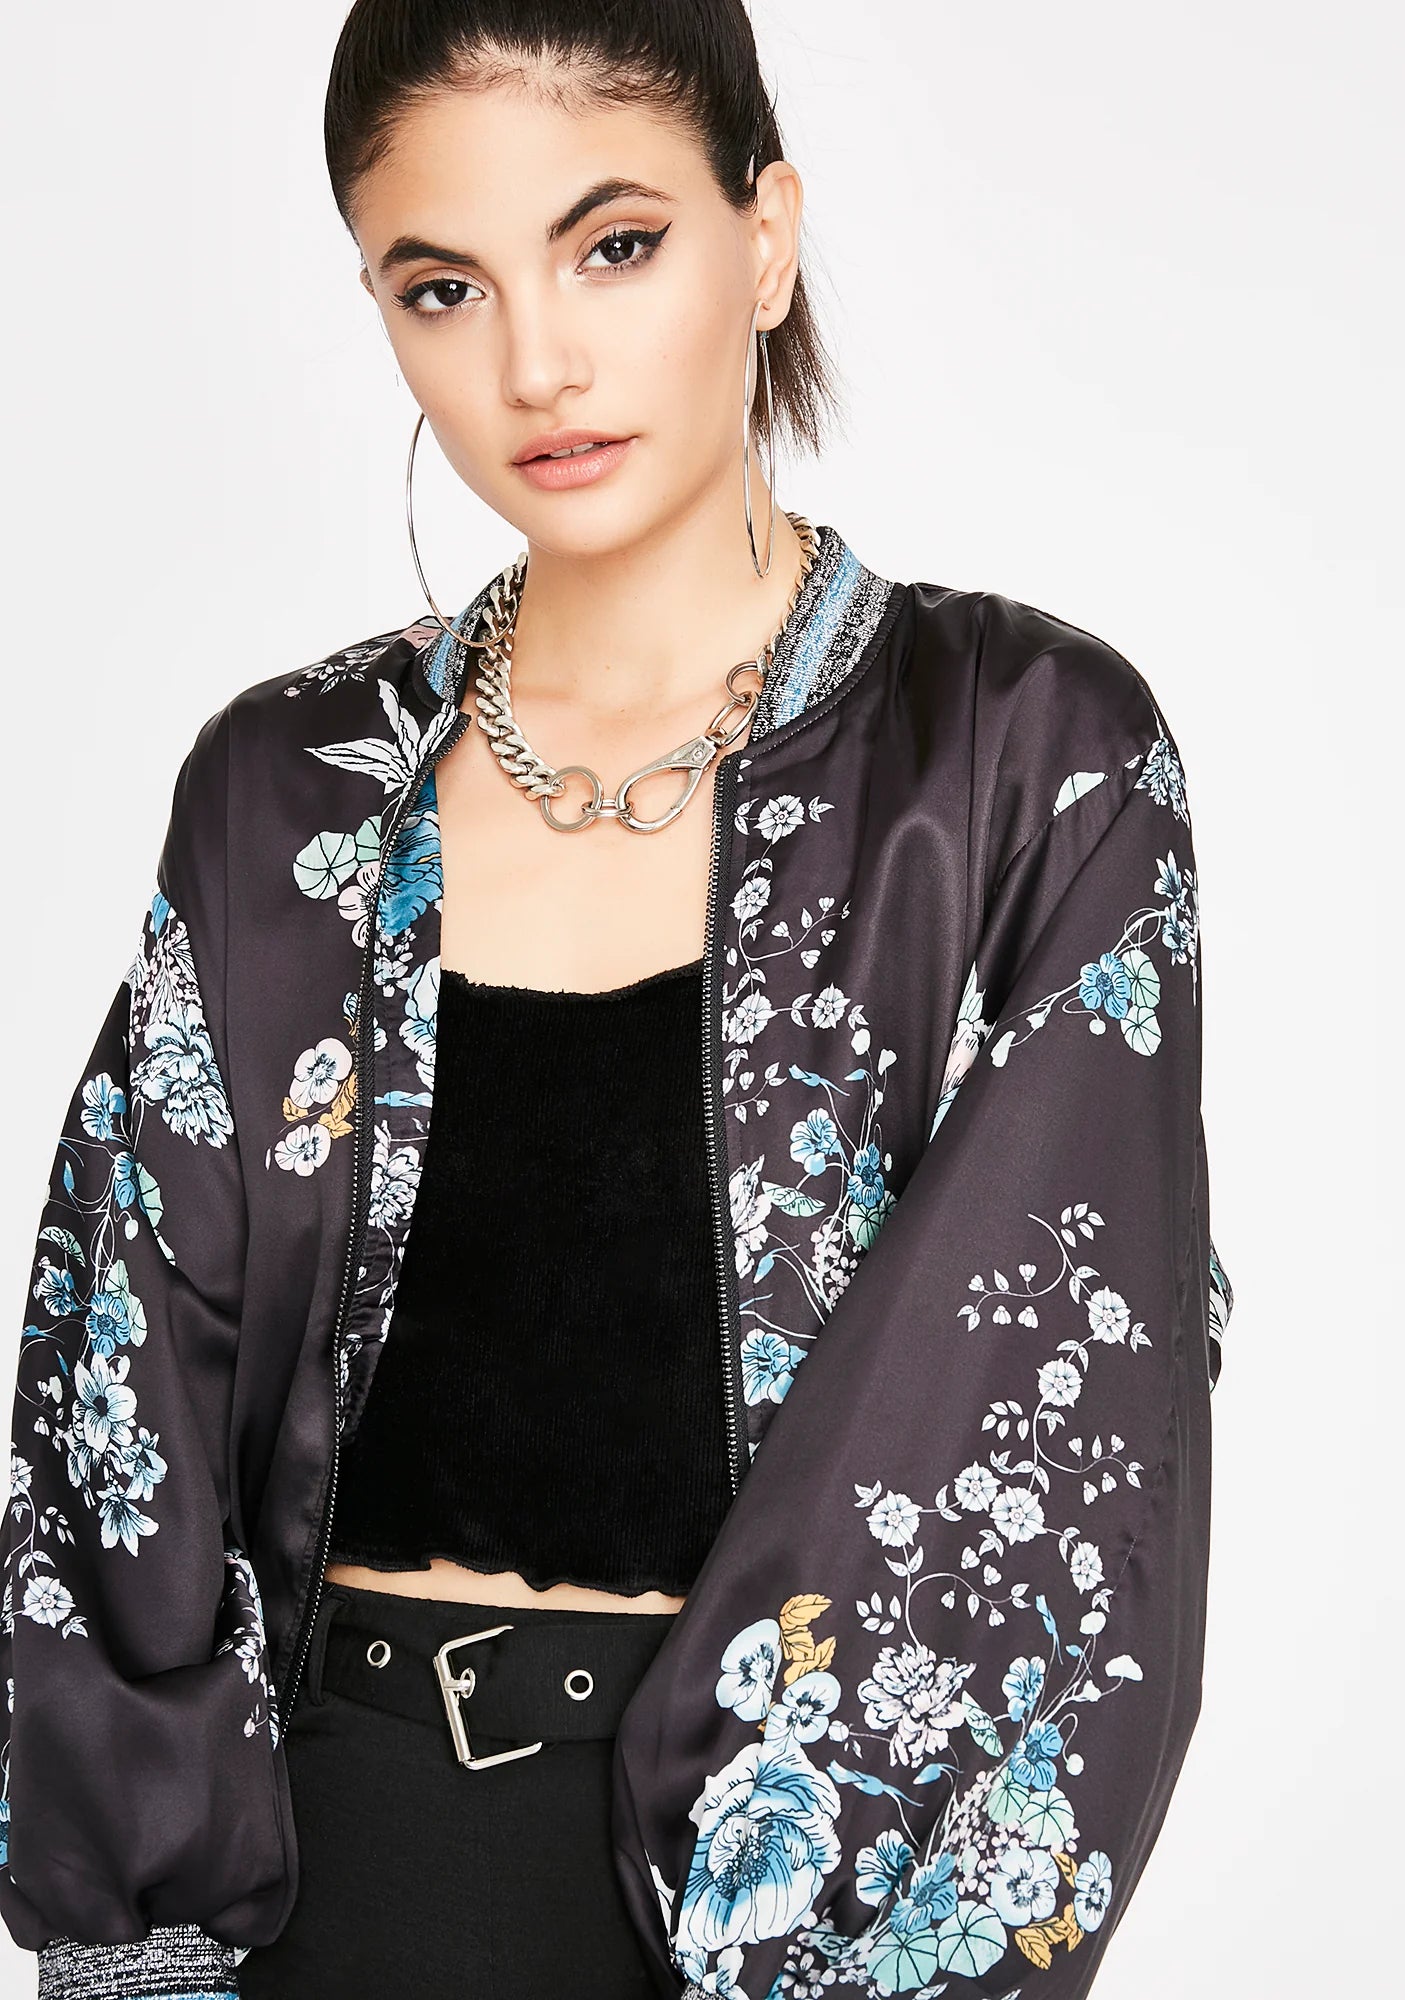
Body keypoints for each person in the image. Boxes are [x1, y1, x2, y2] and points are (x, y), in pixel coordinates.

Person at [0, 3, 1235, 1997]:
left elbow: (1055, 1444)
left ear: (767, 237)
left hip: (776, 1914)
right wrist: (130, 1947)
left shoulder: (1025, 761)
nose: (534, 365)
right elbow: (114, 1396)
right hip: (317, 1891)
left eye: (615, 246)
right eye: (441, 286)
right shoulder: (285, 789)